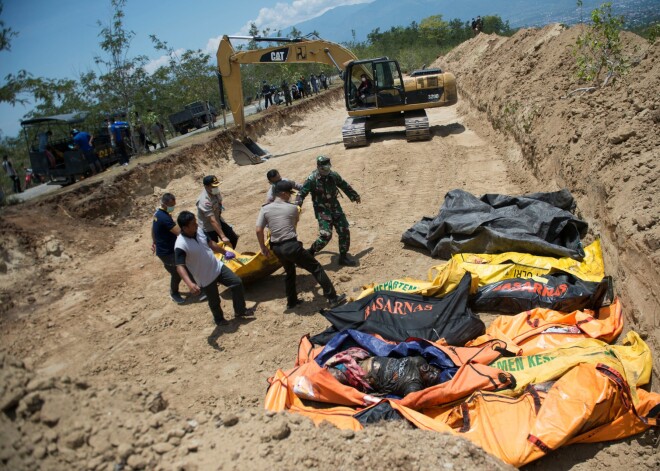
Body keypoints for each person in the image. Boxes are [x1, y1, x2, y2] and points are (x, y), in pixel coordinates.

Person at [256, 180, 346, 310]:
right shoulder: (293, 208)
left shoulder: (264, 209)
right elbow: (293, 222)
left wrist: (263, 248)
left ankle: (291, 302)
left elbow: (259, 230)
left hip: (276, 248)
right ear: (283, 193)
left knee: (290, 272)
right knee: (316, 268)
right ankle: (333, 298)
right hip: (291, 246)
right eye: (288, 193)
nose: (290, 196)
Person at [175, 211, 255, 325]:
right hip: (204, 277)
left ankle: (240, 311)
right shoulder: (181, 245)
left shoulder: (199, 231)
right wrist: (190, 284)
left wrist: (224, 252)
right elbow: (180, 266)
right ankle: (219, 319)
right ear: (185, 227)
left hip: (217, 267)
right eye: (193, 224)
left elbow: (211, 243)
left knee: (237, 283)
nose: (196, 225)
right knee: (214, 300)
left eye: (195, 222)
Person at [296, 155, 361, 267]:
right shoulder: (311, 179)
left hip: (335, 208)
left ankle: (343, 257)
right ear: (318, 167)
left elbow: (344, 185)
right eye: (323, 169)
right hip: (322, 211)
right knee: (326, 235)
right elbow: (301, 193)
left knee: (344, 231)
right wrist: (297, 206)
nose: (326, 171)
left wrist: (354, 195)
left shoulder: (333, 175)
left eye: (328, 168)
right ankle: (311, 251)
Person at [151, 193, 204, 304]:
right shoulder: (164, 217)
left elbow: (153, 228)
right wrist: (191, 229)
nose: (173, 207)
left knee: (185, 267)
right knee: (178, 272)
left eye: (174, 204)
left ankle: (198, 286)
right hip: (166, 252)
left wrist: (154, 241)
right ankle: (175, 293)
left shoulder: (159, 213)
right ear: (164, 204)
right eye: (171, 205)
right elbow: (179, 232)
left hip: (167, 248)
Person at [196, 175, 239, 249]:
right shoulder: (204, 201)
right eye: (213, 186)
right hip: (208, 227)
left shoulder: (215, 192)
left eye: (216, 186)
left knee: (233, 238)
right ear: (206, 187)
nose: (215, 188)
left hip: (218, 220)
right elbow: (212, 221)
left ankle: (228, 254)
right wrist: (223, 236)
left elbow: (219, 203)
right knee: (214, 247)